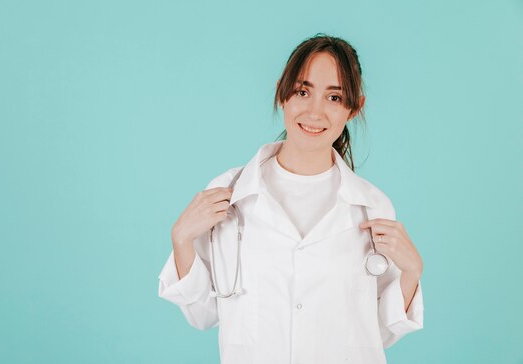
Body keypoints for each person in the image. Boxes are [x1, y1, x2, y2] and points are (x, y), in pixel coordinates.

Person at [157, 34, 424, 364]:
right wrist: (181, 239)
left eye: (334, 97)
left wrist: (411, 273)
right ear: (282, 93)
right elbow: (202, 315)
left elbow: (379, 334)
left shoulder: (372, 206)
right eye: (303, 91)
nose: (315, 112)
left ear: (354, 109)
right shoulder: (230, 195)